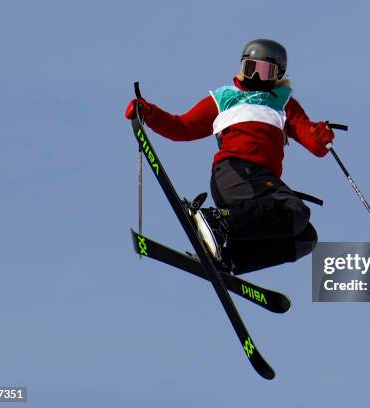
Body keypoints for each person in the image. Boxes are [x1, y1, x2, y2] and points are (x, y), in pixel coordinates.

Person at [124, 39, 334, 274]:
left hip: (263, 184)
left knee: (305, 237)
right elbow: (182, 127)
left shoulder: (284, 104)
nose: (254, 76)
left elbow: (312, 140)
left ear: (278, 74)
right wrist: (149, 113)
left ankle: (230, 259)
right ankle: (218, 221)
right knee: (295, 211)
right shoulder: (225, 98)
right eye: (249, 68)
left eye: (264, 71)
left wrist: (319, 134)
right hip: (235, 172)